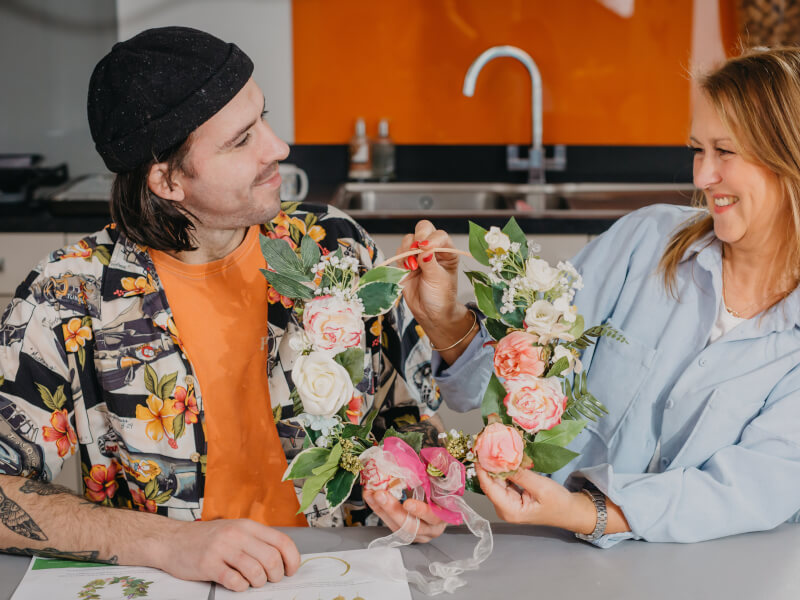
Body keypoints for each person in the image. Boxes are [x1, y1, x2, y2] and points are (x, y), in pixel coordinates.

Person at [0, 26, 467, 591]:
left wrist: (410, 482)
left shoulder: (330, 244)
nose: (279, 148)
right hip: (178, 585)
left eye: (263, 119)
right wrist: (165, 542)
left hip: (344, 572)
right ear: (167, 179)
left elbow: (409, 421)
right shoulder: (66, 296)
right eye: (242, 139)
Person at [405, 46, 800, 547]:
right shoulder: (644, 242)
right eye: (698, 150)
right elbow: (517, 378)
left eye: (725, 152)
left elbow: (748, 487)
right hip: (562, 563)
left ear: (789, 159)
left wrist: (582, 510)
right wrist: (444, 320)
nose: (702, 177)